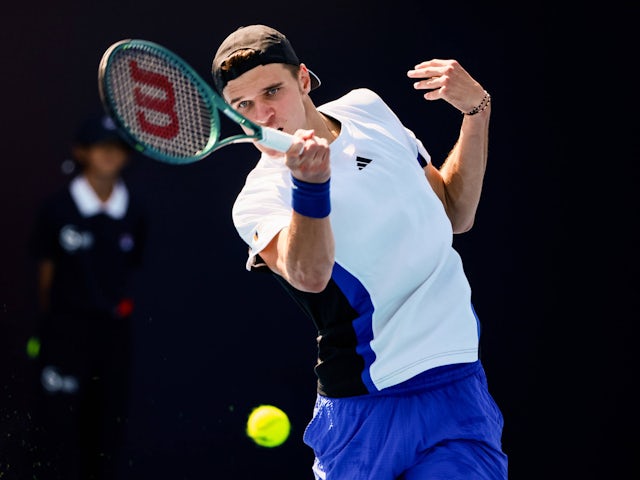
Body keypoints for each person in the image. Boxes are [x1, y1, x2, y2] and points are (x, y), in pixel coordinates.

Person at [211, 24, 507, 479]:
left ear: (304, 80)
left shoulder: (366, 108)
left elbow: (453, 213)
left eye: (273, 91)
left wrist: (476, 112)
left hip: (457, 389)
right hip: (364, 413)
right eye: (244, 106)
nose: (263, 116)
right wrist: (310, 189)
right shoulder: (257, 201)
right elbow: (308, 275)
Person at [27, 111, 147, 480]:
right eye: (99, 146)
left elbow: (130, 270)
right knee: (58, 430)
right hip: (65, 334)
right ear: (80, 151)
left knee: (107, 431)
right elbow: (44, 279)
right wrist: (54, 328)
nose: (109, 155)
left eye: (117, 147)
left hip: (113, 337)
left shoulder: (136, 213)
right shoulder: (56, 209)